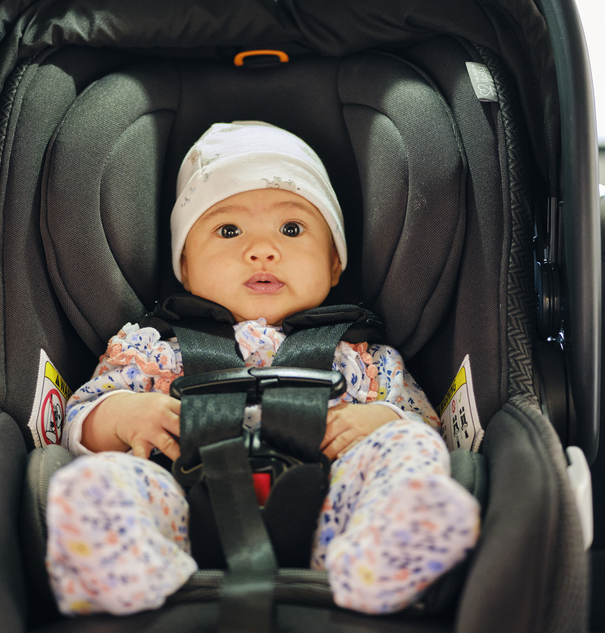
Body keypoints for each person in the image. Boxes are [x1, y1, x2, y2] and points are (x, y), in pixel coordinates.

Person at [45, 121, 480, 616]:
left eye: (291, 229)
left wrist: (382, 421)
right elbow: (76, 420)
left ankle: (381, 562)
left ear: (335, 263)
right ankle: (125, 576)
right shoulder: (151, 350)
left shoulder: (365, 359)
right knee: (95, 481)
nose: (261, 249)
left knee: (410, 448)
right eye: (228, 230)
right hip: (178, 506)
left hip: (334, 513)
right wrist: (123, 415)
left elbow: (425, 425)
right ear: (185, 266)